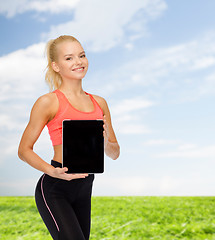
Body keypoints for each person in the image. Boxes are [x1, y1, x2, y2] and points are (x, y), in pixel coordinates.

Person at [18, 35, 120, 240]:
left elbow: (114, 153)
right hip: (56, 187)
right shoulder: (48, 102)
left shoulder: (99, 103)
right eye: (69, 58)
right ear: (56, 66)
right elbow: (24, 150)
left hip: (85, 186)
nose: (78, 62)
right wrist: (53, 171)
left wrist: (106, 138)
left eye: (81, 55)